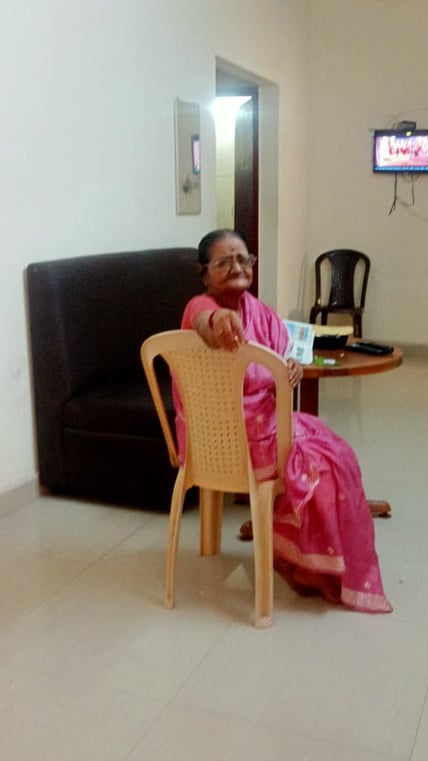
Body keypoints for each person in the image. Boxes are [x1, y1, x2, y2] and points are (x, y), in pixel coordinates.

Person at [175, 229, 392, 614]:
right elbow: (205, 323)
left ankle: (308, 551)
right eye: (223, 262)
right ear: (204, 273)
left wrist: (290, 365)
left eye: (243, 259)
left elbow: (282, 354)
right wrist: (219, 318)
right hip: (227, 438)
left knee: (335, 449)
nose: (237, 267)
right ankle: (309, 563)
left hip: (257, 428)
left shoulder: (259, 311)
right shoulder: (199, 305)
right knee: (322, 462)